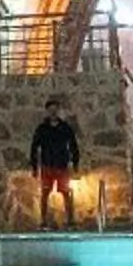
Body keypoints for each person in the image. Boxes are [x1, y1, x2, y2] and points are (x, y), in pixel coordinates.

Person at [28, 98, 82, 229]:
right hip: (47, 165)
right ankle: (43, 221)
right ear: (47, 111)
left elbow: (73, 145)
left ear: (58, 111)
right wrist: (34, 167)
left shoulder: (65, 128)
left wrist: (75, 163)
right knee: (45, 193)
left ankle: (70, 220)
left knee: (66, 193)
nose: (53, 113)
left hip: (62, 165)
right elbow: (34, 147)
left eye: (55, 110)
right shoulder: (42, 129)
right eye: (50, 110)